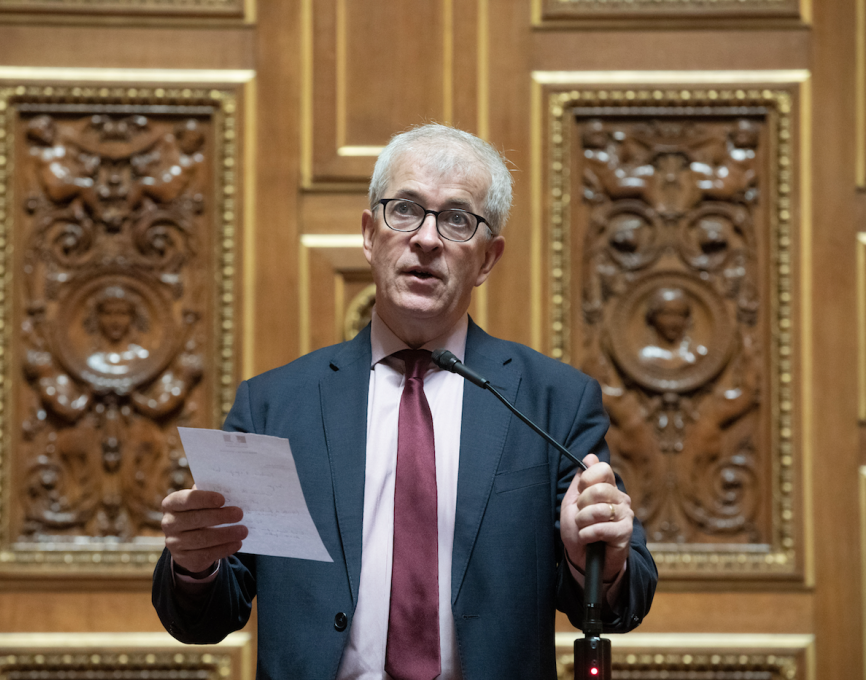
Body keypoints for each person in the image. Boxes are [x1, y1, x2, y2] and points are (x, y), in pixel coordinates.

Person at [152, 124, 657, 679]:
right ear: (370, 234)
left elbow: (622, 601)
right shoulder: (275, 405)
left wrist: (601, 560)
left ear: (487, 260)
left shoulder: (552, 401)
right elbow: (209, 618)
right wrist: (195, 567)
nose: (426, 239)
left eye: (457, 219)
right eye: (405, 211)